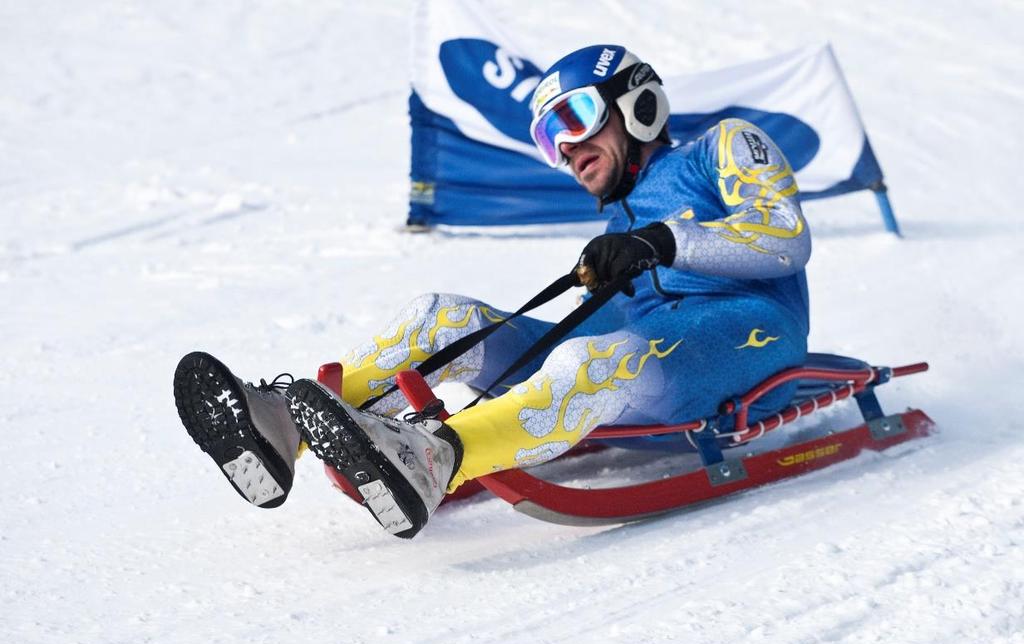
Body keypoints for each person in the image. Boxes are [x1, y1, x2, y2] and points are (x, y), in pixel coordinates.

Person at [173, 45, 811, 539]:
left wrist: (660, 242)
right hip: (655, 348)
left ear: (638, 104)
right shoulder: (620, 221)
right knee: (440, 317)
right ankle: (284, 428)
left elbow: (786, 236)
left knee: (592, 362)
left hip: (748, 330)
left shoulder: (721, 148)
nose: (565, 148)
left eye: (574, 117)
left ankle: (434, 460)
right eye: (547, 138)